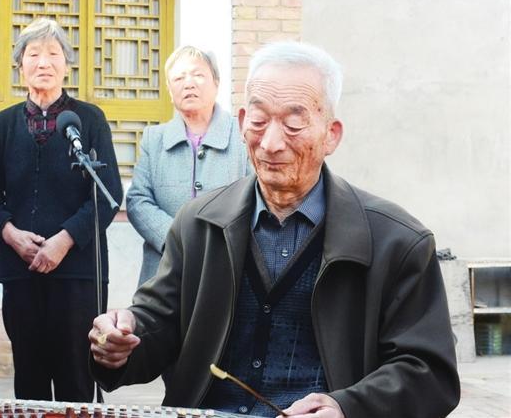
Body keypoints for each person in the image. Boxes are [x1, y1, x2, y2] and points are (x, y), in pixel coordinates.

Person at [89, 41, 460, 418]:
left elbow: (429, 372)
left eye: (294, 124)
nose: (270, 143)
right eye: (259, 121)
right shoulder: (198, 224)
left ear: (331, 135)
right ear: (241, 123)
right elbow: (159, 322)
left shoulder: (397, 242)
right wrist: (124, 336)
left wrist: (347, 407)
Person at [0, 18, 123, 402]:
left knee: (77, 376)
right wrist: (11, 235)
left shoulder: (89, 120)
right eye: (34, 54)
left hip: (77, 273)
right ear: (20, 65)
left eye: (54, 54)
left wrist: (64, 240)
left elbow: (108, 192)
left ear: (66, 65)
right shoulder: (4, 123)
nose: (44, 62)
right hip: (20, 270)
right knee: (29, 377)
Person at [127, 46, 250, 287]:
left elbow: (256, 199)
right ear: (169, 90)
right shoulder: (154, 138)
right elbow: (137, 200)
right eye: (179, 78)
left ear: (216, 83)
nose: (188, 84)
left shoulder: (242, 136)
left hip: (226, 268)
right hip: (164, 270)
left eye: (198, 75)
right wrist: (177, 240)